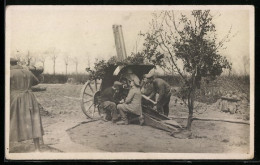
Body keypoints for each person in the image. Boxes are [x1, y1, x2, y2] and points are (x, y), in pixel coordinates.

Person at [10, 58, 44, 152]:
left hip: (15, 99)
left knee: (12, 121)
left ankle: (10, 149)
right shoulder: (27, 72)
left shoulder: (9, 73)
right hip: (30, 98)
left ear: (10, 64)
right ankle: (37, 149)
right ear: (17, 63)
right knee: (34, 122)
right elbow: (36, 82)